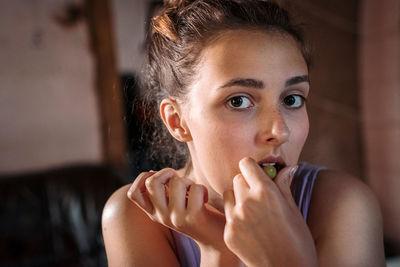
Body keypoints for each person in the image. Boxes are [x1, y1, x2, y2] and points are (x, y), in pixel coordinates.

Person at [101, 0, 386, 266]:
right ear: (177, 121)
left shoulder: (345, 206)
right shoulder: (134, 217)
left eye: (291, 99)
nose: (279, 131)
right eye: (238, 101)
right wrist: (219, 250)